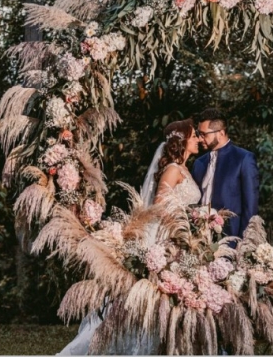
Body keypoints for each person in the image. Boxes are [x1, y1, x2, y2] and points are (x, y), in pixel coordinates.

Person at [58, 119, 201, 355]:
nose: (198, 139)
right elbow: (159, 206)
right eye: (194, 135)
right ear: (183, 140)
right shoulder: (173, 169)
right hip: (167, 236)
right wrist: (180, 224)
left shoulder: (182, 168)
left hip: (182, 236)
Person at [192, 108, 260, 240]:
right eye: (198, 134)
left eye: (204, 134)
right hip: (198, 240)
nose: (200, 139)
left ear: (221, 133)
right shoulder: (199, 163)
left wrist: (243, 243)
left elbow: (250, 207)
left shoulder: (243, 159)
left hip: (231, 239)